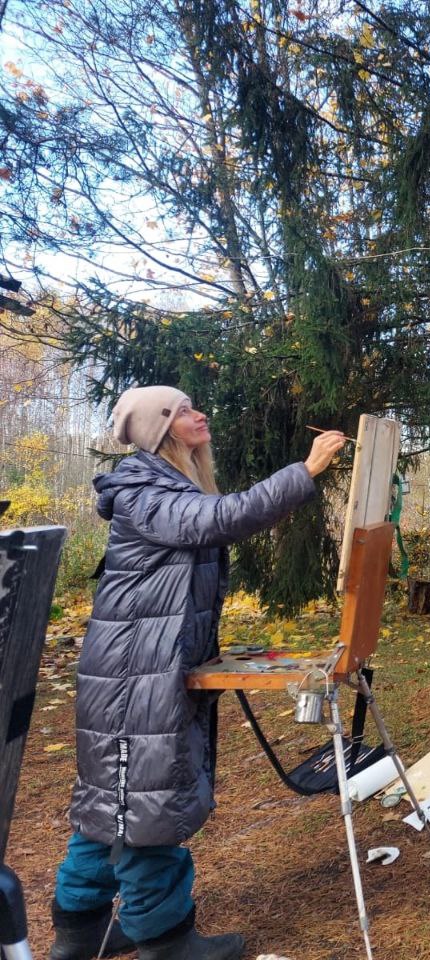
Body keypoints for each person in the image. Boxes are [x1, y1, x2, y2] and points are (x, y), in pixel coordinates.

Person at [50, 386, 347, 960]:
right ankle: (165, 941)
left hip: (143, 666)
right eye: (183, 411)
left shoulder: (169, 484)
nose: (199, 414)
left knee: (111, 805)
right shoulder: (142, 488)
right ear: (159, 428)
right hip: (134, 675)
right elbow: (219, 519)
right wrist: (305, 472)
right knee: (147, 806)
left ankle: (80, 933)